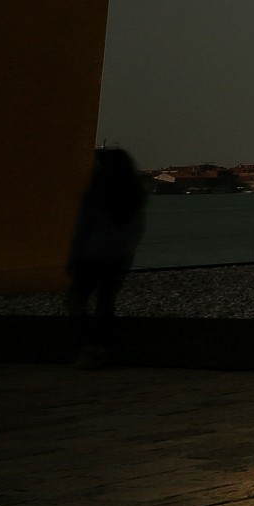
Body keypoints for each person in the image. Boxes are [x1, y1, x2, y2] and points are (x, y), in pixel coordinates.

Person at [68, 147, 147, 365]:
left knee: (77, 301)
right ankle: (102, 348)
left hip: (91, 256)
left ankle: (87, 347)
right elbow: (137, 230)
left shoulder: (94, 196)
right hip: (120, 257)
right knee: (105, 303)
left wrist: (73, 258)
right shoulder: (133, 197)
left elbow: (82, 230)